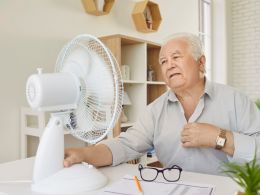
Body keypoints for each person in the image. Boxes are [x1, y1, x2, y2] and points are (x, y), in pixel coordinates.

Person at [64, 33, 260, 175]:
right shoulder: (155, 110)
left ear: (201, 63)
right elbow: (125, 145)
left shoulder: (236, 100)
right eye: (163, 61)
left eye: (176, 57)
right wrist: (84, 153)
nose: (169, 65)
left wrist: (219, 138)